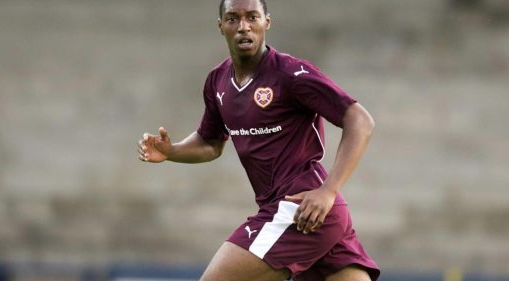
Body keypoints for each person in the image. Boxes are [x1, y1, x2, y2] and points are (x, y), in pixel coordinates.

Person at [137, 0, 379, 280]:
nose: (243, 27)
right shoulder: (218, 81)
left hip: (299, 205)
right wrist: (172, 151)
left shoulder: (291, 74)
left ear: (267, 22)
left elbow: (360, 121)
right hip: (309, 217)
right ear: (220, 26)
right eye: (233, 19)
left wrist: (329, 190)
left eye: (252, 17)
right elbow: (211, 142)